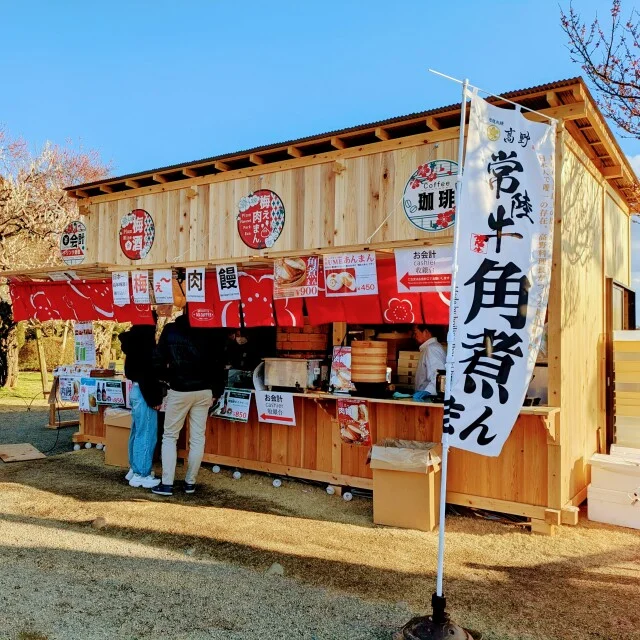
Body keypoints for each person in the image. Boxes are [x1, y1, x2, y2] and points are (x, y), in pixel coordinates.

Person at [152, 310, 226, 496]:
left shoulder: (170, 330)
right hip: (204, 391)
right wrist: (216, 391)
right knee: (198, 438)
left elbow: (158, 360)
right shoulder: (210, 330)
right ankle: (190, 483)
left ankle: (167, 484)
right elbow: (220, 364)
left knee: (170, 436)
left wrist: (168, 377)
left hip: (179, 389)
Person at [118, 320, 164, 489]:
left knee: (137, 431)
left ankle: (135, 468)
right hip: (145, 393)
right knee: (147, 433)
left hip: (136, 390)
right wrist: (155, 399)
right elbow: (148, 375)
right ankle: (141, 473)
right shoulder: (145, 345)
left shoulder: (132, 344)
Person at [412, 324, 446, 397]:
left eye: (415, 332)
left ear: (425, 332)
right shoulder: (430, 348)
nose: (414, 336)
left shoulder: (432, 348)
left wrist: (428, 392)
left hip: (429, 398)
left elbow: (438, 375)